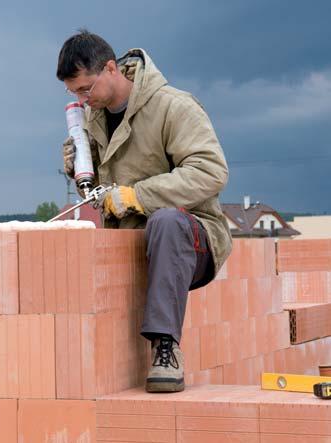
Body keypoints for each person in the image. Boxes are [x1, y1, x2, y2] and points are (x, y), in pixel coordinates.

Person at [57, 30, 232, 393]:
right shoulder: (95, 119)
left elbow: (210, 171)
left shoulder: (173, 106)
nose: (82, 99)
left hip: (191, 234)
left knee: (165, 220)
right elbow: (102, 196)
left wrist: (138, 196)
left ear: (110, 68)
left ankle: (165, 348)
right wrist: (80, 173)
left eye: (86, 89)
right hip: (131, 237)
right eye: (74, 93)